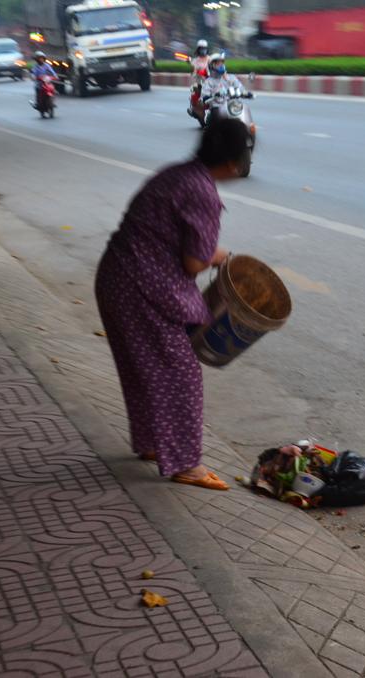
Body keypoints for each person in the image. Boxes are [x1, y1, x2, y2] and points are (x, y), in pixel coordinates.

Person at [94, 117, 251, 490]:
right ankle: (184, 462)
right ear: (233, 160)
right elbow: (194, 262)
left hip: (116, 277)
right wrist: (223, 256)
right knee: (180, 374)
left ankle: (153, 443)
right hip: (144, 287)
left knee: (142, 368)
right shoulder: (203, 192)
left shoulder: (178, 173)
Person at [188, 40, 210, 117]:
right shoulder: (195, 61)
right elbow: (193, 72)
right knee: (195, 90)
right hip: (200, 82)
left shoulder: (210, 59)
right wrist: (196, 72)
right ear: (198, 49)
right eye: (201, 48)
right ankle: (194, 108)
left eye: (204, 48)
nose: (203, 50)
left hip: (211, 81)